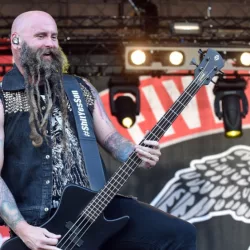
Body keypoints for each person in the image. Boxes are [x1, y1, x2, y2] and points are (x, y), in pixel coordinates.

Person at [0, 10, 196, 250]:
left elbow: (112, 138)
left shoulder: (78, 88)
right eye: (41, 36)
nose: (50, 43)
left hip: (96, 208)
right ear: (16, 41)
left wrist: (136, 153)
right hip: (43, 221)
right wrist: (22, 229)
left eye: (54, 36)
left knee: (180, 233)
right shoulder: (3, 97)